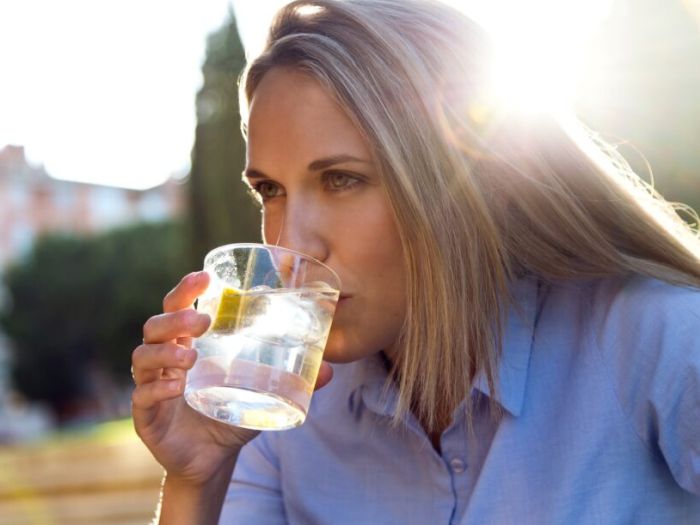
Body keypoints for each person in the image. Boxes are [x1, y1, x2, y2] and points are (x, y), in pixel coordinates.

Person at [130, 0, 700, 523]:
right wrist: (195, 479)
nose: (291, 247)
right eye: (270, 190)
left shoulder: (656, 339)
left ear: (461, 184)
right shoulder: (276, 411)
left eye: (341, 179)